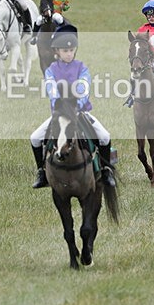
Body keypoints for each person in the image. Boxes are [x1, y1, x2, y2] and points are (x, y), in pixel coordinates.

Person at [30, 24, 116, 189]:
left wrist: (78, 103)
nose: (69, 54)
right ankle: (42, 172)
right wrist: (58, 104)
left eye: (71, 51)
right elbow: (51, 89)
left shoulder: (82, 67)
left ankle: (106, 171)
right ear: (57, 52)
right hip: (60, 114)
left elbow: (84, 86)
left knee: (105, 136)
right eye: (65, 51)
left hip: (80, 112)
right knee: (35, 138)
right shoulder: (51, 70)